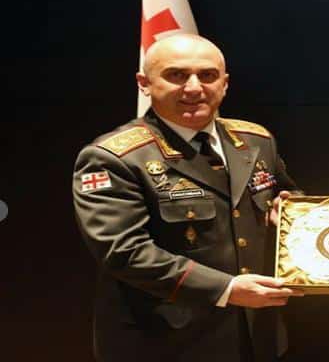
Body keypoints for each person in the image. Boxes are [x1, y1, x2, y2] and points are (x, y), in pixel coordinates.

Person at [73, 34, 302, 362]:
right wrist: (226, 289)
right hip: (166, 341)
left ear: (225, 84)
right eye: (177, 75)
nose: (194, 88)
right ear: (144, 83)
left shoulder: (256, 139)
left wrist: (291, 211)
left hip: (256, 333)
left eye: (207, 75)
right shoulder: (113, 157)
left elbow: (287, 194)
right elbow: (124, 251)